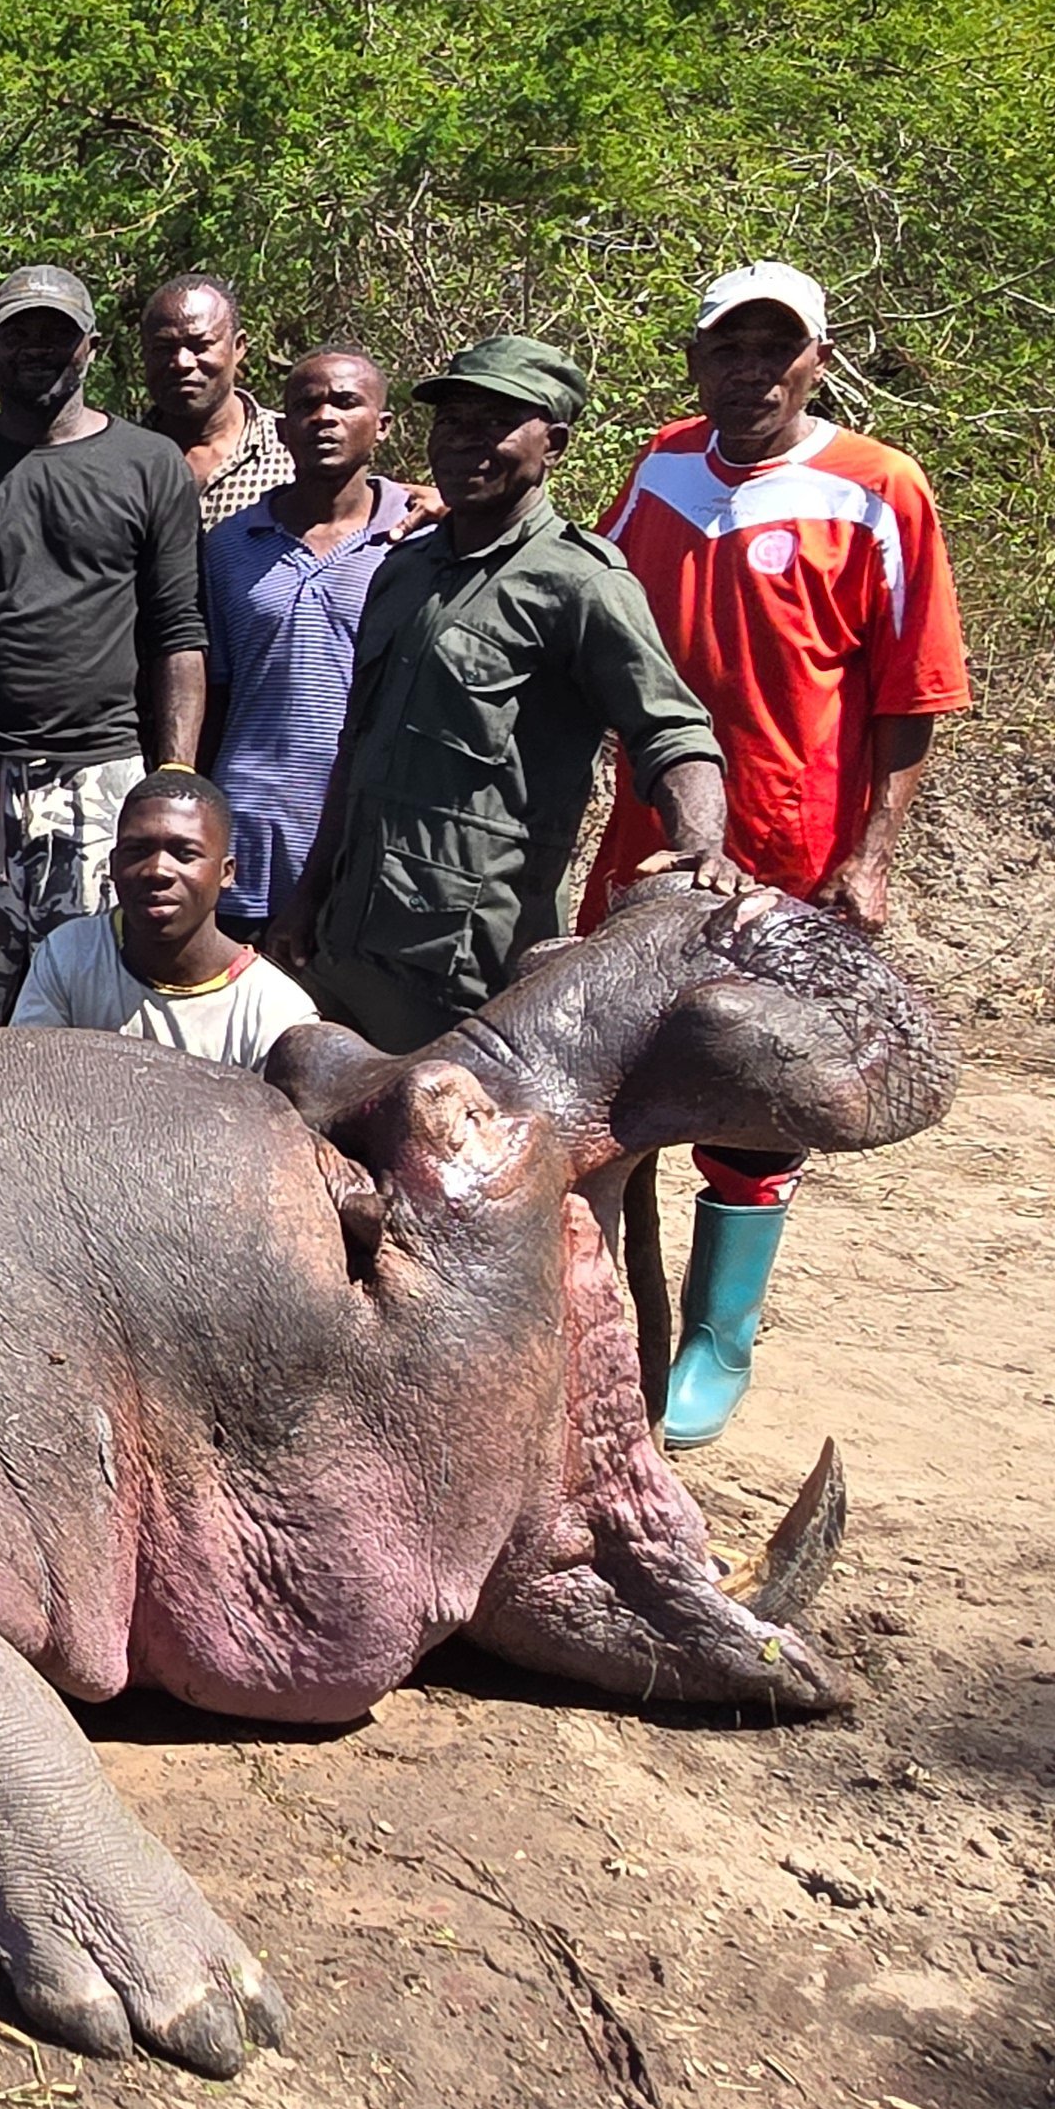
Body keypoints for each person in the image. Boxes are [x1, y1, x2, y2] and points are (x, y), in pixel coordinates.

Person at [578, 262, 973, 1448]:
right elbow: (591, 593)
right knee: (617, 1068)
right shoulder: (660, 465)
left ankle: (717, 1336)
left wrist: (873, 849)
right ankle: (601, 1314)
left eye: (775, 348)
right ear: (697, 359)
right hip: (647, 839)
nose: (751, 369)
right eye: (729, 348)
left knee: (757, 1085)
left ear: (817, 358)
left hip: (789, 842)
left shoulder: (875, 488)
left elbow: (912, 687)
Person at [271, 334, 734, 1055]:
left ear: (552, 443)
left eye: (495, 425)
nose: (465, 445)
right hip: (347, 947)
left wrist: (702, 846)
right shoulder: (405, 569)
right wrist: (307, 896)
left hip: (469, 969)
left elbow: (671, 732)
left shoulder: (580, 583)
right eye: (452, 424)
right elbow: (355, 746)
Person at [0, 264, 206, 1030]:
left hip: (95, 768)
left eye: (57, 333)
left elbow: (178, 634)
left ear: (89, 347)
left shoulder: (151, 467)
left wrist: (173, 781)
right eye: (19, 332)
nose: (38, 349)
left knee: (84, 1006)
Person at [199, 348, 417, 938]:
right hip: (246, 826)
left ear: (383, 425)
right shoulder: (228, 546)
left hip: (360, 834)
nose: (325, 417)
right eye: (306, 405)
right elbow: (213, 697)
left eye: (346, 402)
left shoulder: (417, 540)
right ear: (283, 426)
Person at [8, 770, 318, 1071]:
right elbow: (27, 1082)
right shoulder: (70, 954)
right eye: (138, 851)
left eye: (185, 853)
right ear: (113, 865)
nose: (157, 870)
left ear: (226, 873)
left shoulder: (278, 1013)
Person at [140, 274, 296, 527]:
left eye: (200, 345)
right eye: (163, 348)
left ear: (239, 347)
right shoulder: (119, 460)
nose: (182, 362)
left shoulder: (293, 448)